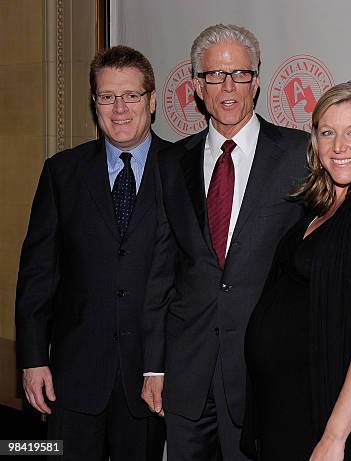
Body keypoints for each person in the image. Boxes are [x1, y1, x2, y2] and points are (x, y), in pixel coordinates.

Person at [140, 24, 308, 460]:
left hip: (262, 374)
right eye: (215, 76)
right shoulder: (171, 162)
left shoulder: (300, 155)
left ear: (256, 80)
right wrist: (154, 365)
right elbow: (161, 272)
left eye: (239, 74)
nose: (227, 87)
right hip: (186, 374)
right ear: (197, 86)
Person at [243, 81, 351, 461]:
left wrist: (335, 436)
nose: (339, 146)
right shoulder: (320, 204)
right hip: (290, 412)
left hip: (341, 422)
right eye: (327, 132)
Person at [15, 45, 168, 460]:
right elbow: (37, 275)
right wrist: (31, 360)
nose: (119, 109)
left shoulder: (182, 169)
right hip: (72, 377)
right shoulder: (62, 172)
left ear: (152, 101)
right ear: (94, 102)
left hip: (150, 379)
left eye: (131, 96)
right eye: (107, 96)